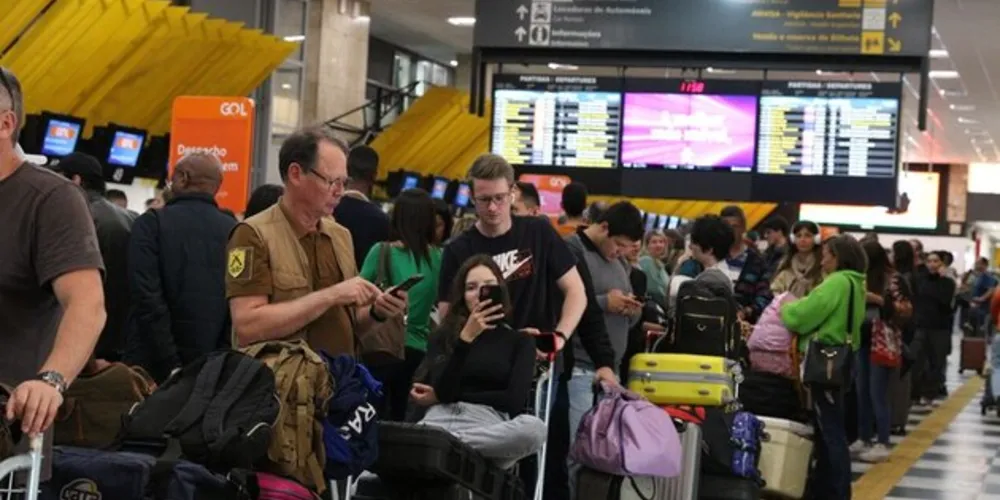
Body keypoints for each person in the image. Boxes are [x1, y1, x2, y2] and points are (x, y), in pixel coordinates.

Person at [437, 154, 589, 500]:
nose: (492, 208)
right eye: (483, 200)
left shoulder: (537, 232)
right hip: (484, 370)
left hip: (541, 364)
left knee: (547, 463)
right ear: (472, 198)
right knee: (481, 465)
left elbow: (576, 292)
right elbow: (448, 319)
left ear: (513, 194)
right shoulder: (459, 249)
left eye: (499, 199)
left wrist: (559, 338)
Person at [0, 66, 106, 475]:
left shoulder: (51, 200)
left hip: (9, 436)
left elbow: (87, 304)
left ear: (6, 124)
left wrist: (51, 381)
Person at [226, 127, 406, 356]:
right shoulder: (253, 234)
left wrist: (377, 312)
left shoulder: (340, 235)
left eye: (344, 182)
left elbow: (351, 324)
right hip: (281, 385)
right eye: (332, 181)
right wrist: (332, 295)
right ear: (296, 174)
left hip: (339, 382)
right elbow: (248, 327)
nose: (340, 192)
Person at [411, 255, 547, 469]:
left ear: (500, 291)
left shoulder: (519, 341)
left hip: (485, 427)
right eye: (471, 287)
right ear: (462, 295)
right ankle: (440, 447)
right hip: (439, 420)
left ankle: (442, 447)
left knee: (534, 428)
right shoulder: (444, 336)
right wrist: (465, 340)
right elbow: (444, 391)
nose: (479, 294)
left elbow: (513, 401)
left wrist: (447, 397)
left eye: (488, 287)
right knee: (364, 480)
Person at [124, 153, 237, 382]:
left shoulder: (151, 224)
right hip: (212, 369)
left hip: (151, 368)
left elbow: (146, 296)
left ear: (183, 178)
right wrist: (218, 358)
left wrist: (171, 364)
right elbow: (237, 301)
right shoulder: (235, 231)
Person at [780, 234, 867, 500]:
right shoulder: (856, 283)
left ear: (838, 257)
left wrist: (787, 309)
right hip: (845, 359)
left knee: (830, 430)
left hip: (825, 361)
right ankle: (826, 487)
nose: (823, 259)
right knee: (830, 426)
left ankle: (836, 491)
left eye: (827, 254)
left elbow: (806, 314)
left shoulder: (837, 282)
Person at [360, 189, 442, 421]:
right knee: (405, 419)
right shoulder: (438, 257)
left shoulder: (381, 251)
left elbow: (359, 291)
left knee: (374, 418)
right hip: (419, 351)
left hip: (381, 348)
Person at [54, 152, 135, 362]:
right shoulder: (132, 218)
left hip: (84, 335)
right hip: (123, 335)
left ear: (76, 180)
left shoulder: (77, 217)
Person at [850, 240, 910, 463]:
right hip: (861, 338)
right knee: (861, 390)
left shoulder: (892, 279)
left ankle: (883, 441)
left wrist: (875, 298)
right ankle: (864, 437)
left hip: (882, 339)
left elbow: (902, 310)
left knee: (878, 393)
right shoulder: (858, 277)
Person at [333, 144, 390, 270]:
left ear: (346, 172)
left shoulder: (328, 209)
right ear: (374, 176)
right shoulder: (382, 220)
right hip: (364, 287)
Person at [911, 250, 956, 407]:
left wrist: (943, 278)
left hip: (940, 328)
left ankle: (929, 393)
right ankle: (916, 393)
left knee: (936, 362)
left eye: (936, 261)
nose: (932, 265)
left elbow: (945, 302)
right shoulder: (920, 280)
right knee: (917, 360)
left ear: (942, 264)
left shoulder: (948, 283)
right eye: (929, 261)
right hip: (921, 325)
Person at [720, 205, 773, 323]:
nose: (730, 231)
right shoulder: (714, 256)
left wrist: (747, 311)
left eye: (735, 227)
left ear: (743, 228)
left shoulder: (757, 261)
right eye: (726, 227)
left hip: (744, 325)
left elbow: (765, 294)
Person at [770, 221, 823, 298]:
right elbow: (775, 290)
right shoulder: (786, 267)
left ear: (816, 239)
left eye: (808, 236)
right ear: (793, 239)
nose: (802, 240)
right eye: (798, 236)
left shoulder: (823, 266)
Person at [638, 230, 670, 306]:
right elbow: (654, 290)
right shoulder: (646, 261)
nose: (658, 245)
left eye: (661, 242)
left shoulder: (659, 263)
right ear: (647, 245)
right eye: (654, 242)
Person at [969, 257, 997, 335]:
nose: (976, 265)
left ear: (984, 265)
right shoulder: (978, 276)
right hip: (976, 307)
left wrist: (981, 298)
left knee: (982, 330)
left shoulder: (987, 276)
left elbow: (991, 289)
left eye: (978, 263)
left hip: (983, 308)